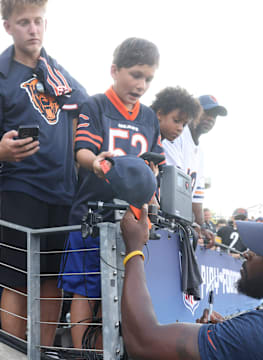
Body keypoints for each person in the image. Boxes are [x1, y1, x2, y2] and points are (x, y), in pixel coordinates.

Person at [120, 205, 263, 359]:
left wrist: (134, 249)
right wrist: (226, 336)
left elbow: (143, 342)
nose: (247, 253)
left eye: (261, 250)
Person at [58, 37, 163, 349]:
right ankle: (81, 352)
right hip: (92, 214)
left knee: (117, 291)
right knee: (85, 289)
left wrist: (152, 200)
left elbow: (155, 166)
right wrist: (98, 164)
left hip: (131, 220)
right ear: (115, 70)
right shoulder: (95, 105)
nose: (141, 85)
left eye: (148, 78)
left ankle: (105, 352)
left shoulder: (149, 117)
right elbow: (82, 153)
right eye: (135, 74)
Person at [0, 0, 87, 345]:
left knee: (53, 280)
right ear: (8, 26)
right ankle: (11, 352)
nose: (33, 29)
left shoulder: (60, 74)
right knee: (17, 277)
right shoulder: (2, 75)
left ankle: (46, 350)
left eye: (38, 21)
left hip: (63, 191)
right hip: (18, 188)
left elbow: (88, 114)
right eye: (24, 22)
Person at [162, 95, 227, 227]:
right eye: (206, 113)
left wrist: (201, 227)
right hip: (163, 214)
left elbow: (197, 196)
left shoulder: (200, 151)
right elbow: (173, 185)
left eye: (214, 116)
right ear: (192, 113)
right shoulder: (176, 135)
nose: (210, 119)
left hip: (177, 218)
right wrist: (189, 224)